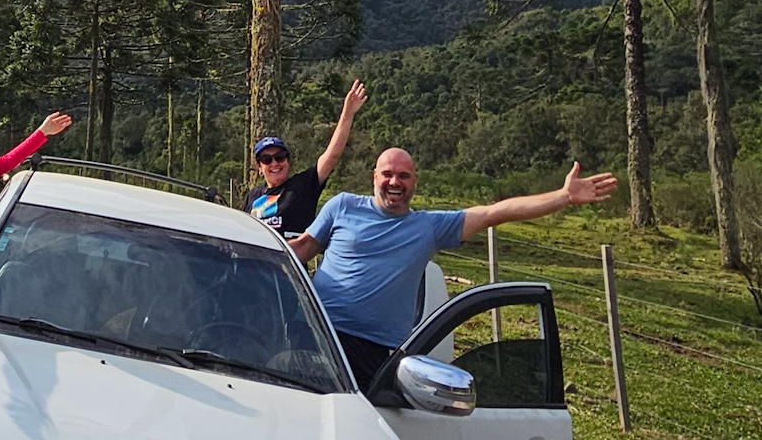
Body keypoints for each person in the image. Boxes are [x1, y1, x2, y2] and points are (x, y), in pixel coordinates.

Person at [287, 148, 619, 392]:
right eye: (387, 174)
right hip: (316, 332)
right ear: (374, 176)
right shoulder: (342, 205)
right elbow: (300, 249)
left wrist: (563, 197)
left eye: (403, 176)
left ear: (415, 181)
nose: (394, 182)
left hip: (375, 353)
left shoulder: (429, 227)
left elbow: (494, 213)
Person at [243, 79, 368, 237]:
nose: (274, 163)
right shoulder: (252, 196)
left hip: (289, 252)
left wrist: (347, 114)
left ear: (288, 160)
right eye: (267, 159)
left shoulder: (302, 185)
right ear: (259, 166)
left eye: (280, 157)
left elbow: (332, 156)